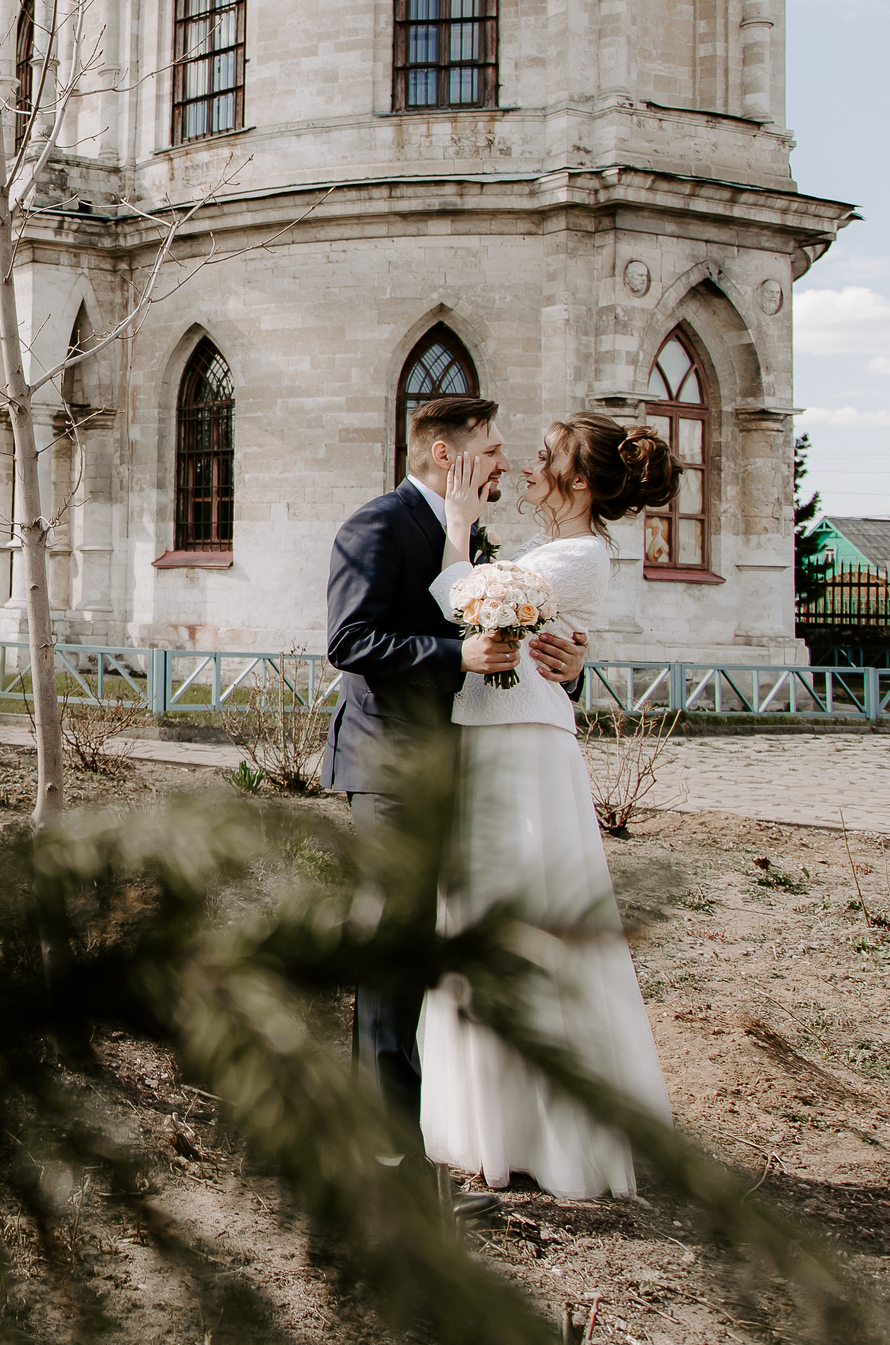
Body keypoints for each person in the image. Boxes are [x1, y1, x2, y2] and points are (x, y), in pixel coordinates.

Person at [323, 396, 585, 1212]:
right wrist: (455, 654)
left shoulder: (474, 541)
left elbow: (512, 650)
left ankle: (433, 1141)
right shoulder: (377, 525)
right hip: (393, 766)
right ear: (446, 453)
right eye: (493, 449)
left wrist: (568, 663)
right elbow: (349, 640)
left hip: (460, 769)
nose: (505, 461)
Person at [416, 413, 678, 1198]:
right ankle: (494, 1122)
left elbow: (464, 602)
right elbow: (526, 630)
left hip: (523, 751)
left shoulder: (580, 555)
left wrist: (457, 522)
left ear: (581, 482)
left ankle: (547, 1130)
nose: (530, 464)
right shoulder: (552, 552)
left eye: (546, 456)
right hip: (500, 738)